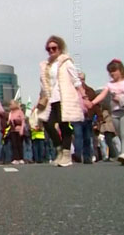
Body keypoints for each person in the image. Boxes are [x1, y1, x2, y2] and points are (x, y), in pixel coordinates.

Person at [36, 35, 88, 167]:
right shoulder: (45, 65)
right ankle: (59, 149)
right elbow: (43, 85)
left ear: (60, 48)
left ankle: (66, 154)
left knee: (64, 125)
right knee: (48, 123)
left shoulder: (66, 62)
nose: (51, 51)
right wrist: (39, 101)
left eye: (54, 48)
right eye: (48, 49)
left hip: (64, 98)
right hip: (51, 99)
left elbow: (76, 80)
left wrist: (84, 96)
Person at [89, 59, 124, 165]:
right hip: (115, 112)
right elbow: (102, 95)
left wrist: (123, 99)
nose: (112, 73)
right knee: (120, 134)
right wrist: (92, 103)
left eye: (114, 70)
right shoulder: (110, 84)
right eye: (110, 71)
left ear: (120, 70)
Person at [72, 72, 98, 164]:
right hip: (76, 116)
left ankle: (87, 157)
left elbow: (96, 106)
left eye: (82, 79)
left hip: (88, 117)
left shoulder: (90, 90)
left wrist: (99, 120)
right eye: (79, 79)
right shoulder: (72, 91)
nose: (80, 81)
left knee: (87, 137)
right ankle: (77, 155)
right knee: (78, 135)